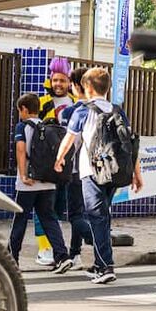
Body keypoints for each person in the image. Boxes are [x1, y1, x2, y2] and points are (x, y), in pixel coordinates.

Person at [53, 67, 142, 285]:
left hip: (91, 172)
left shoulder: (82, 111)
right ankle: (98, 264)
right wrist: (136, 174)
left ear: (89, 88)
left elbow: (69, 139)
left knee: (97, 217)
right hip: (115, 171)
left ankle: (106, 266)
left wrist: (59, 159)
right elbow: (131, 143)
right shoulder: (117, 110)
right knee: (103, 216)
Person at [10, 93, 72, 273]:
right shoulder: (48, 127)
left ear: (24, 110)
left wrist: (23, 175)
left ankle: (12, 259)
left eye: (19, 111)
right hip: (48, 182)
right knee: (49, 218)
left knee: (19, 220)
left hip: (28, 183)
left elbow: (21, 151)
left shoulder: (22, 126)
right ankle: (62, 256)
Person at [31, 56, 75, 266]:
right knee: (43, 207)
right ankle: (44, 248)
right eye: (55, 80)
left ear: (69, 82)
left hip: (67, 166)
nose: (58, 84)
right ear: (50, 80)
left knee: (58, 208)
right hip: (45, 166)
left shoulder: (75, 104)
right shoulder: (41, 103)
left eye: (62, 80)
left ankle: (58, 249)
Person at [58, 66, 93, 263]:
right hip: (97, 170)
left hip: (75, 169)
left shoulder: (71, 111)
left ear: (76, 85)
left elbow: (69, 141)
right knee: (82, 212)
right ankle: (75, 254)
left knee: (75, 216)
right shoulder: (101, 108)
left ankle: (96, 238)